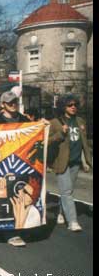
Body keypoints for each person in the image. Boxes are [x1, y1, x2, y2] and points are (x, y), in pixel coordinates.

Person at [0, 90, 30, 247]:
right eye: (9, 103)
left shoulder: (24, 119)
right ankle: (7, 231)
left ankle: (15, 230)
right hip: (2, 162)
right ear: (3, 105)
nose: (13, 105)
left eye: (15, 101)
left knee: (18, 195)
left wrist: (43, 125)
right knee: (4, 194)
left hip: (21, 162)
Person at [48, 94, 92, 232]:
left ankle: (61, 212)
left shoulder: (80, 121)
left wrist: (85, 161)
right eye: (70, 105)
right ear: (63, 106)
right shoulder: (55, 122)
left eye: (75, 105)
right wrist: (61, 133)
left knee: (68, 190)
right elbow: (47, 141)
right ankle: (72, 221)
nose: (73, 107)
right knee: (67, 191)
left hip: (75, 161)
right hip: (62, 162)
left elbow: (83, 143)